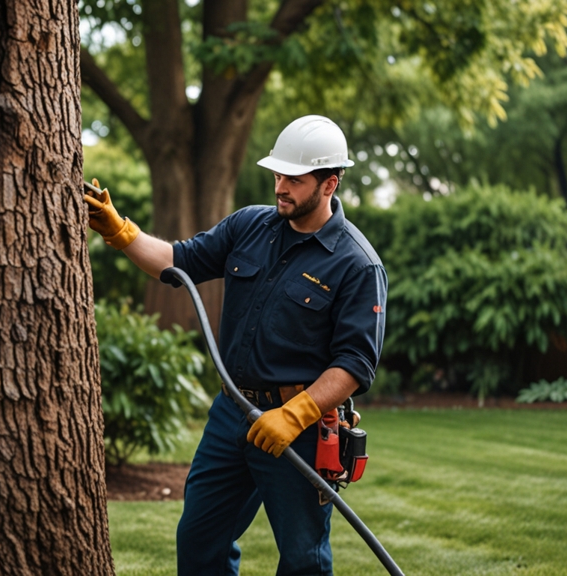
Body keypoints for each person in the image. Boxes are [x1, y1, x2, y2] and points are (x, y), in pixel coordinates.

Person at [85, 115, 387, 576]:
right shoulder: (250, 225)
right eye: (278, 175)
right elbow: (178, 261)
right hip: (232, 413)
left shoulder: (357, 265)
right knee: (199, 540)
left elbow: (355, 363)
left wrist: (293, 416)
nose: (280, 187)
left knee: (303, 559)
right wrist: (120, 231)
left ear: (330, 183)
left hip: (300, 429)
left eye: (294, 179)